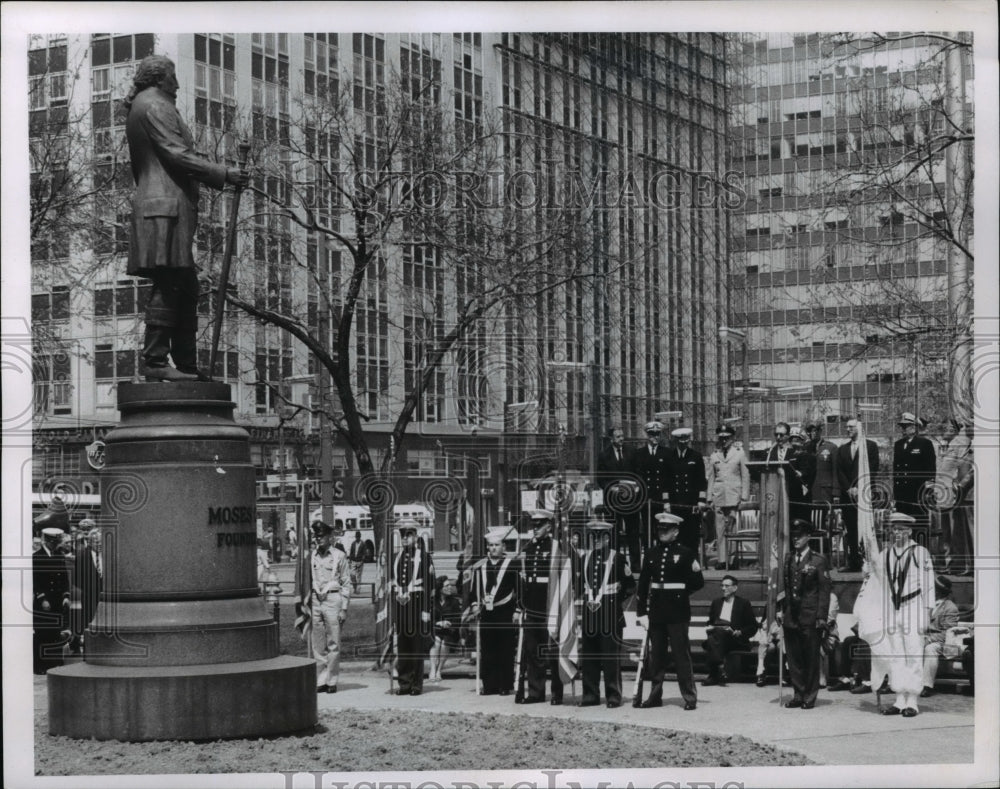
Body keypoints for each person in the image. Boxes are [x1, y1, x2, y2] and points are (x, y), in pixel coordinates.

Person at [124, 55, 249, 381]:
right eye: (173, 77)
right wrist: (223, 173)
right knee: (171, 282)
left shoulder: (148, 104)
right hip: (163, 208)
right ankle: (155, 362)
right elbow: (174, 153)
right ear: (158, 79)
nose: (177, 84)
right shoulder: (155, 105)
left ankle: (186, 365)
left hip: (165, 207)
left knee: (186, 284)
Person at [635, 512, 704, 711]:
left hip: (677, 612)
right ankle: (654, 696)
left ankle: (689, 697)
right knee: (656, 657)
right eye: (660, 530)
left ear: (676, 531)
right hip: (656, 611)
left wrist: (681, 592)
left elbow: (697, 582)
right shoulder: (651, 553)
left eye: (666, 530)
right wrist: (641, 613)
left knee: (681, 656)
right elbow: (643, 585)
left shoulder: (686, 553)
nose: (662, 533)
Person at [875, 512, 935, 717]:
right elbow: (881, 585)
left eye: (901, 529)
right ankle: (899, 698)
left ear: (909, 531)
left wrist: (927, 613)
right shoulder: (886, 554)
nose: (897, 533)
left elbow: (928, 586)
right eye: (894, 529)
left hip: (914, 606)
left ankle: (913, 700)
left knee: (913, 653)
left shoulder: (921, 553)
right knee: (896, 654)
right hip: (893, 608)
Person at [577, 520, 635, 708]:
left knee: (610, 658)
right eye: (592, 536)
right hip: (590, 614)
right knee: (589, 657)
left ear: (607, 538)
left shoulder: (617, 558)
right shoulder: (584, 558)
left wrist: (615, 600)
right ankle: (590, 694)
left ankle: (613, 695)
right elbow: (579, 587)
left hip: (610, 613)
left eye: (600, 536)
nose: (595, 540)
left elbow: (629, 586)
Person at [778, 519, 831, 709]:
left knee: (810, 658)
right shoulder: (788, 558)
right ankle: (798, 694)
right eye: (794, 536)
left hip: (810, 616)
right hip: (792, 615)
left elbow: (824, 592)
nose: (796, 539)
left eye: (799, 536)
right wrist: (781, 610)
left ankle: (810, 696)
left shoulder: (818, 560)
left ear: (808, 537)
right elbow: (785, 587)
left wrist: (821, 617)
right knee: (794, 658)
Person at [516, 510, 565, 705]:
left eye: (539, 525)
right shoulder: (528, 548)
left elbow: (568, 577)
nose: (535, 529)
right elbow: (523, 579)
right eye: (533, 525)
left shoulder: (556, 547)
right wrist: (521, 606)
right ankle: (536, 692)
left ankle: (556, 693)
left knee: (552, 652)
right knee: (532, 651)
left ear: (549, 526)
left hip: (550, 606)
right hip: (532, 606)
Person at [472, 528, 518, 696]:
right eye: (490, 545)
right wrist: (474, 604)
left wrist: (518, 610)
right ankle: (489, 685)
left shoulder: (512, 565)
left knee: (505, 649)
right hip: (486, 612)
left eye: (497, 545)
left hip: (504, 611)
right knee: (488, 649)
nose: (493, 548)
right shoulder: (480, 566)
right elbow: (473, 591)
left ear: (503, 547)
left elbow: (519, 589)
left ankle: (505, 685)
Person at [391, 519, 434, 696]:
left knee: (416, 646)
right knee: (403, 646)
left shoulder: (423, 557)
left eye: (409, 535)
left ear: (416, 536)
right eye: (403, 535)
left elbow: (429, 585)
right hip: (402, 606)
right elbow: (393, 584)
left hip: (417, 603)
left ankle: (416, 684)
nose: (405, 539)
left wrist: (425, 610)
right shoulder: (397, 557)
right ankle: (404, 683)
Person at [310, 520, 352, 694]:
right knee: (318, 643)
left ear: (329, 537)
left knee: (333, 642)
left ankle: (332, 680)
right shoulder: (311, 556)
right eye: (316, 536)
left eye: (321, 536)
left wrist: (344, 608)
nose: (318, 539)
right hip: (315, 600)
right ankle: (321, 679)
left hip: (333, 599)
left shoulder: (338, 556)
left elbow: (346, 582)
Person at [835, 418, 881, 572]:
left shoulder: (871, 446)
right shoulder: (842, 449)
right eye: (846, 427)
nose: (848, 430)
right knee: (851, 529)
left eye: (851, 427)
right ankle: (853, 562)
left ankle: (869, 561)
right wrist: (849, 488)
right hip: (847, 496)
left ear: (860, 428)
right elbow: (839, 472)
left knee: (867, 528)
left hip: (865, 495)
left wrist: (859, 487)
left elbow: (872, 469)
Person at [596, 426, 642, 575]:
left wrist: (636, 488)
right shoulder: (604, 455)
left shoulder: (632, 452)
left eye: (622, 436)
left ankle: (636, 565)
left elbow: (638, 473)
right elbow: (600, 479)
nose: (621, 439)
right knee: (614, 533)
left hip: (631, 500)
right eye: (618, 437)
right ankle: (615, 563)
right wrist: (612, 489)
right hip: (613, 501)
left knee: (633, 532)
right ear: (611, 439)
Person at [705, 424, 750, 571]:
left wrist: (744, 496)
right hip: (718, 496)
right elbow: (711, 477)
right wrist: (709, 497)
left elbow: (745, 475)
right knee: (720, 529)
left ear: (732, 438)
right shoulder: (714, 455)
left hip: (734, 497)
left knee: (732, 528)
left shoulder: (739, 453)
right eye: (722, 438)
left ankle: (732, 559)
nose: (724, 440)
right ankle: (722, 560)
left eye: (727, 438)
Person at [701, 574, 759, 686]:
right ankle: (720, 667)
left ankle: (714, 674)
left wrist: (739, 632)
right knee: (717, 633)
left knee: (712, 640)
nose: (723, 588)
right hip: (719, 637)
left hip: (736, 639)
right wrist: (710, 627)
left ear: (735, 588)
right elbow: (710, 622)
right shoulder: (716, 602)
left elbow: (752, 626)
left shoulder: (743, 603)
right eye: (722, 586)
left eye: (727, 586)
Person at [933, 420, 973, 574]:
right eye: (945, 427)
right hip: (943, 492)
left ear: (957, 430)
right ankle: (950, 564)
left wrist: (955, 486)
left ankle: (954, 565)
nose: (946, 430)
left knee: (953, 531)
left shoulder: (959, 442)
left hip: (951, 492)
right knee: (946, 530)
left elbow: (962, 465)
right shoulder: (948, 445)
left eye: (950, 428)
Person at [663, 427, 708, 555]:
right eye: (680, 441)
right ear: (676, 441)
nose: (683, 444)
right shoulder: (669, 457)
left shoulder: (696, 456)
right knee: (676, 534)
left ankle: (692, 561)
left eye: (685, 441)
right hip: (675, 503)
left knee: (692, 535)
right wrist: (666, 502)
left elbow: (701, 481)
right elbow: (665, 482)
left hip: (691, 503)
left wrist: (701, 501)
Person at [892, 412, 937, 540]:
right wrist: (895, 494)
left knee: (919, 525)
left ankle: (922, 554)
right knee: (903, 525)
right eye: (902, 426)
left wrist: (928, 491)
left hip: (918, 493)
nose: (903, 429)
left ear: (914, 427)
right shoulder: (898, 444)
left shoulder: (924, 444)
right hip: (902, 494)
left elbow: (930, 470)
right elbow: (896, 471)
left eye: (906, 426)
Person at [33, 527, 71, 674]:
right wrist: (42, 598)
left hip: (57, 601)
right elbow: (36, 581)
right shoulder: (36, 557)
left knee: (55, 633)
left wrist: (66, 597)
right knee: (43, 634)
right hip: (44, 602)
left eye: (57, 541)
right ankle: (40, 666)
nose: (56, 544)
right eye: (54, 541)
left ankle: (55, 663)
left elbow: (64, 579)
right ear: (47, 541)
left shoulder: (59, 556)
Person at [631, 421, 672, 551]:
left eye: (658, 434)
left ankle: (661, 553)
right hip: (645, 497)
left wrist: (667, 500)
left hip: (660, 497)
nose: (655, 437)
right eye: (652, 434)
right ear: (647, 435)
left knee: (661, 527)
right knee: (647, 529)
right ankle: (648, 554)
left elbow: (668, 478)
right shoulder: (639, 453)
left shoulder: (667, 453)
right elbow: (636, 475)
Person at [920, 575, 960, 698]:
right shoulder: (924, 604)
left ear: (937, 591)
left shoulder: (950, 607)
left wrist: (928, 640)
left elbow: (947, 633)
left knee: (930, 649)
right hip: (923, 637)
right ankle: (896, 683)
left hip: (942, 643)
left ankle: (927, 686)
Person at [70, 525, 103, 655]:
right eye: (96, 542)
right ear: (89, 542)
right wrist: (88, 590)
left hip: (105, 598)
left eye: (101, 542)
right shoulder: (82, 555)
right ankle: (90, 653)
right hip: (89, 596)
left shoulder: (109, 555)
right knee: (89, 624)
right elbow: (77, 579)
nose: (99, 544)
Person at [429, 577, 463, 682]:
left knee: (444, 643)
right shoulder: (432, 601)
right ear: (440, 588)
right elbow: (427, 620)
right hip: (435, 630)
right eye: (446, 586)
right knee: (437, 642)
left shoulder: (454, 602)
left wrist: (449, 624)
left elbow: (458, 620)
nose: (450, 588)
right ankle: (433, 669)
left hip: (450, 631)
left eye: (450, 585)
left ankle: (439, 670)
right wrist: (438, 623)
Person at [787, 426, 817, 523]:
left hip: (803, 494)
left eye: (797, 440)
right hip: (790, 495)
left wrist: (802, 474)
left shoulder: (809, 457)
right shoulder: (787, 456)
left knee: (803, 522)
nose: (794, 443)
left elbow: (810, 472)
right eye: (792, 440)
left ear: (802, 441)